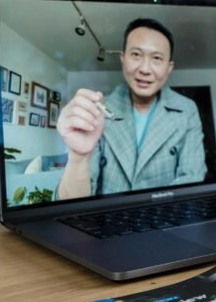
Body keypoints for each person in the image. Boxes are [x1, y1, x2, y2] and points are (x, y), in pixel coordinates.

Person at [56, 18, 206, 199]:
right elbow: (74, 204)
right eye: (136, 55)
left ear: (169, 67)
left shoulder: (187, 110)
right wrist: (79, 157)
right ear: (123, 58)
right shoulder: (99, 110)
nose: (144, 69)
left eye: (157, 58)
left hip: (166, 221)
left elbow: (192, 178)